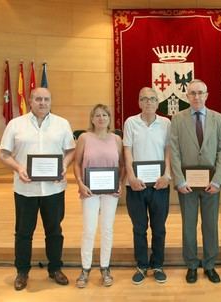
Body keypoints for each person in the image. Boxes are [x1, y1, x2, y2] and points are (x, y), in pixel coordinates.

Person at [0, 87, 75, 290]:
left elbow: (70, 151)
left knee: (54, 231)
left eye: (46, 99)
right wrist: (18, 168)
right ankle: (22, 272)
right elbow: (4, 153)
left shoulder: (62, 124)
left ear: (51, 101)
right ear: (30, 101)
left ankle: (55, 268)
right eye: (38, 99)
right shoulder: (15, 124)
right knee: (24, 232)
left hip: (54, 189)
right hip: (26, 190)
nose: (43, 103)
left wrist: (64, 166)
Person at [170, 79, 221, 284]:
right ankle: (192, 264)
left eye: (200, 93)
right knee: (189, 225)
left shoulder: (218, 119)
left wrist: (218, 180)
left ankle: (210, 264)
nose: (196, 96)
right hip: (187, 185)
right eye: (192, 93)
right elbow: (174, 151)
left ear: (207, 95)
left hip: (211, 184)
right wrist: (179, 180)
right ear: (187, 96)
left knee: (210, 225)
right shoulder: (177, 119)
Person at [123, 87, 171, 285]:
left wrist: (167, 175)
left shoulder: (166, 123)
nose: (148, 102)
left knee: (159, 228)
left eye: (152, 99)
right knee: (139, 227)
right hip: (135, 185)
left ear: (158, 103)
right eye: (144, 99)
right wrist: (132, 177)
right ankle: (142, 265)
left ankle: (158, 264)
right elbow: (127, 151)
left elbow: (169, 150)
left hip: (159, 184)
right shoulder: (130, 122)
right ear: (139, 102)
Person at [73, 104, 125, 288]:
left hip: (111, 191)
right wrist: (80, 183)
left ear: (110, 118)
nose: (101, 118)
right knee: (89, 229)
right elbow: (77, 163)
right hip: (89, 190)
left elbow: (123, 165)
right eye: (97, 115)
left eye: (104, 115)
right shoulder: (84, 138)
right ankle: (85, 268)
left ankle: (105, 267)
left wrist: (120, 183)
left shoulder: (117, 139)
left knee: (107, 229)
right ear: (92, 119)